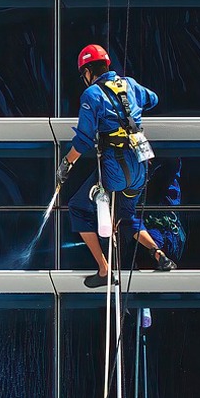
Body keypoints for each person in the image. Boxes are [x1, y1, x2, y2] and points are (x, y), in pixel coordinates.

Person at [59, 44, 175, 288]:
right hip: (139, 168)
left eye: (84, 75)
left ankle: (104, 269)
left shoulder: (92, 95)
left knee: (78, 207)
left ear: (89, 71)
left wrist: (66, 164)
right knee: (126, 216)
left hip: (115, 168)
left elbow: (83, 139)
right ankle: (159, 255)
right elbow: (153, 99)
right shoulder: (130, 85)